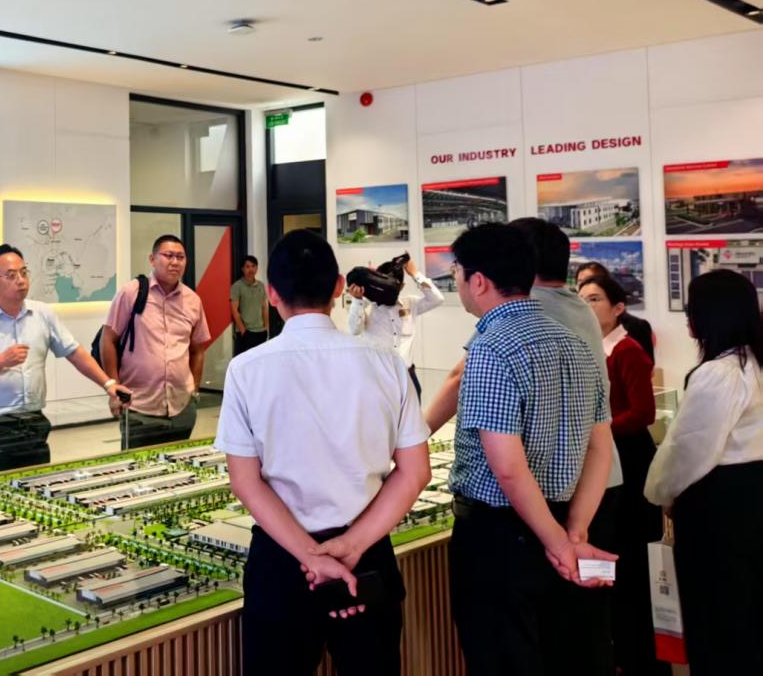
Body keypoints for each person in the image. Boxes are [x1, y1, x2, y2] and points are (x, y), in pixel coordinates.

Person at [215, 229, 430, 675]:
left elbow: (245, 481)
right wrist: (349, 547)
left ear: (272, 294)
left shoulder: (245, 369)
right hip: (367, 557)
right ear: (338, 286)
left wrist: (312, 556)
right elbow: (415, 473)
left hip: (282, 561)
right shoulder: (387, 363)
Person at [446, 222, 617, 676]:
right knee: (559, 654)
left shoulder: (491, 347)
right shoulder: (577, 343)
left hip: (498, 538)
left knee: (502, 660)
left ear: (478, 281)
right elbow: (600, 449)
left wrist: (558, 543)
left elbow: (508, 468)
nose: (456, 282)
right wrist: (573, 533)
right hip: (560, 521)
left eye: (457, 272)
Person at [644, 269, 763, 674]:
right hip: (752, 497)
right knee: (748, 613)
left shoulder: (719, 373)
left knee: (717, 615)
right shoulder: (754, 364)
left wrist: (661, 493)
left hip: (720, 507)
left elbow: (689, 450)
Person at [0, 244, 128, 476]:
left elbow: (74, 352)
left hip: (32, 423)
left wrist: (108, 384)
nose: (21, 280)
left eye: (24, 272)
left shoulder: (42, 313)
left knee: (36, 488)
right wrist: (1, 361)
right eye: (11, 275)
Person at [579, 273, 666, 676]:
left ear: (617, 308)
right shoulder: (588, 347)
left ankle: (638, 655)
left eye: (595, 299)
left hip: (628, 460)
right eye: (582, 298)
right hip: (604, 456)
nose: (586, 306)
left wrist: (598, 429)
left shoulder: (627, 350)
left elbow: (643, 413)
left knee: (629, 561)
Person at [100, 234, 210, 449]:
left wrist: (194, 391)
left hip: (181, 407)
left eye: (180, 257)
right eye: (168, 255)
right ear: (152, 259)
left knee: (178, 465)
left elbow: (198, 349)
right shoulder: (131, 293)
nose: (175, 262)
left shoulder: (192, 300)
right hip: (139, 406)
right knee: (138, 467)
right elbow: (108, 340)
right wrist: (114, 388)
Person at [346, 252, 444, 398]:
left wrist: (415, 274)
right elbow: (354, 330)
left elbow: (437, 299)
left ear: (402, 286)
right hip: (378, 378)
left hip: (408, 377)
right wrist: (357, 300)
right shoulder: (366, 307)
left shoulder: (410, 304)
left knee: (413, 413)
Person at [577, 261, 655, 360]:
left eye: (593, 299)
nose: (585, 286)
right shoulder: (580, 332)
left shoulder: (634, 331)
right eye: (579, 282)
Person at [230, 254, 269, 356]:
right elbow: (234, 310)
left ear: (256, 268)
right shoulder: (237, 286)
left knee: (260, 362)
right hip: (245, 333)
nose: (251, 269)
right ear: (242, 269)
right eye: (247, 267)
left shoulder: (261, 285)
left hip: (260, 332)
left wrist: (266, 327)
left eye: (253, 266)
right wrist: (243, 331)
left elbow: (264, 307)